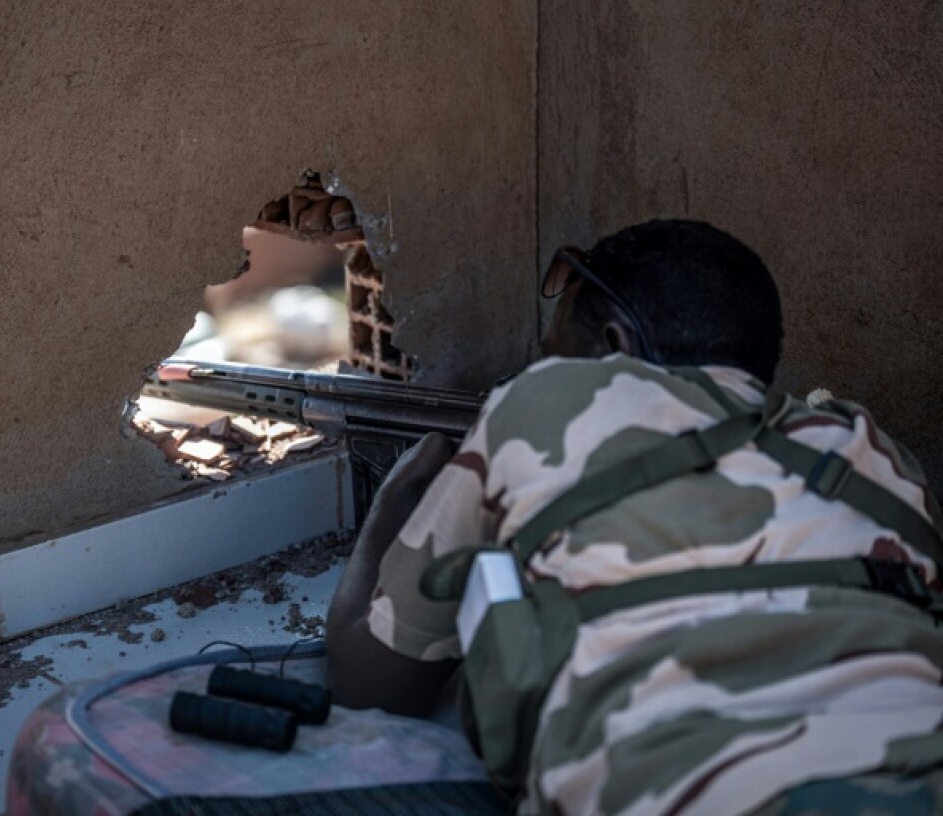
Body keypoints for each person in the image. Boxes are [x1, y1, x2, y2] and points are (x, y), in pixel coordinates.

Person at [325, 220, 943, 815]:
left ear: (617, 348)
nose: (541, 374)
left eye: (554, 357)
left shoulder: (546, 402)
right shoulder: (873, 450)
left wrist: (397, 497)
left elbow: (369, 683)